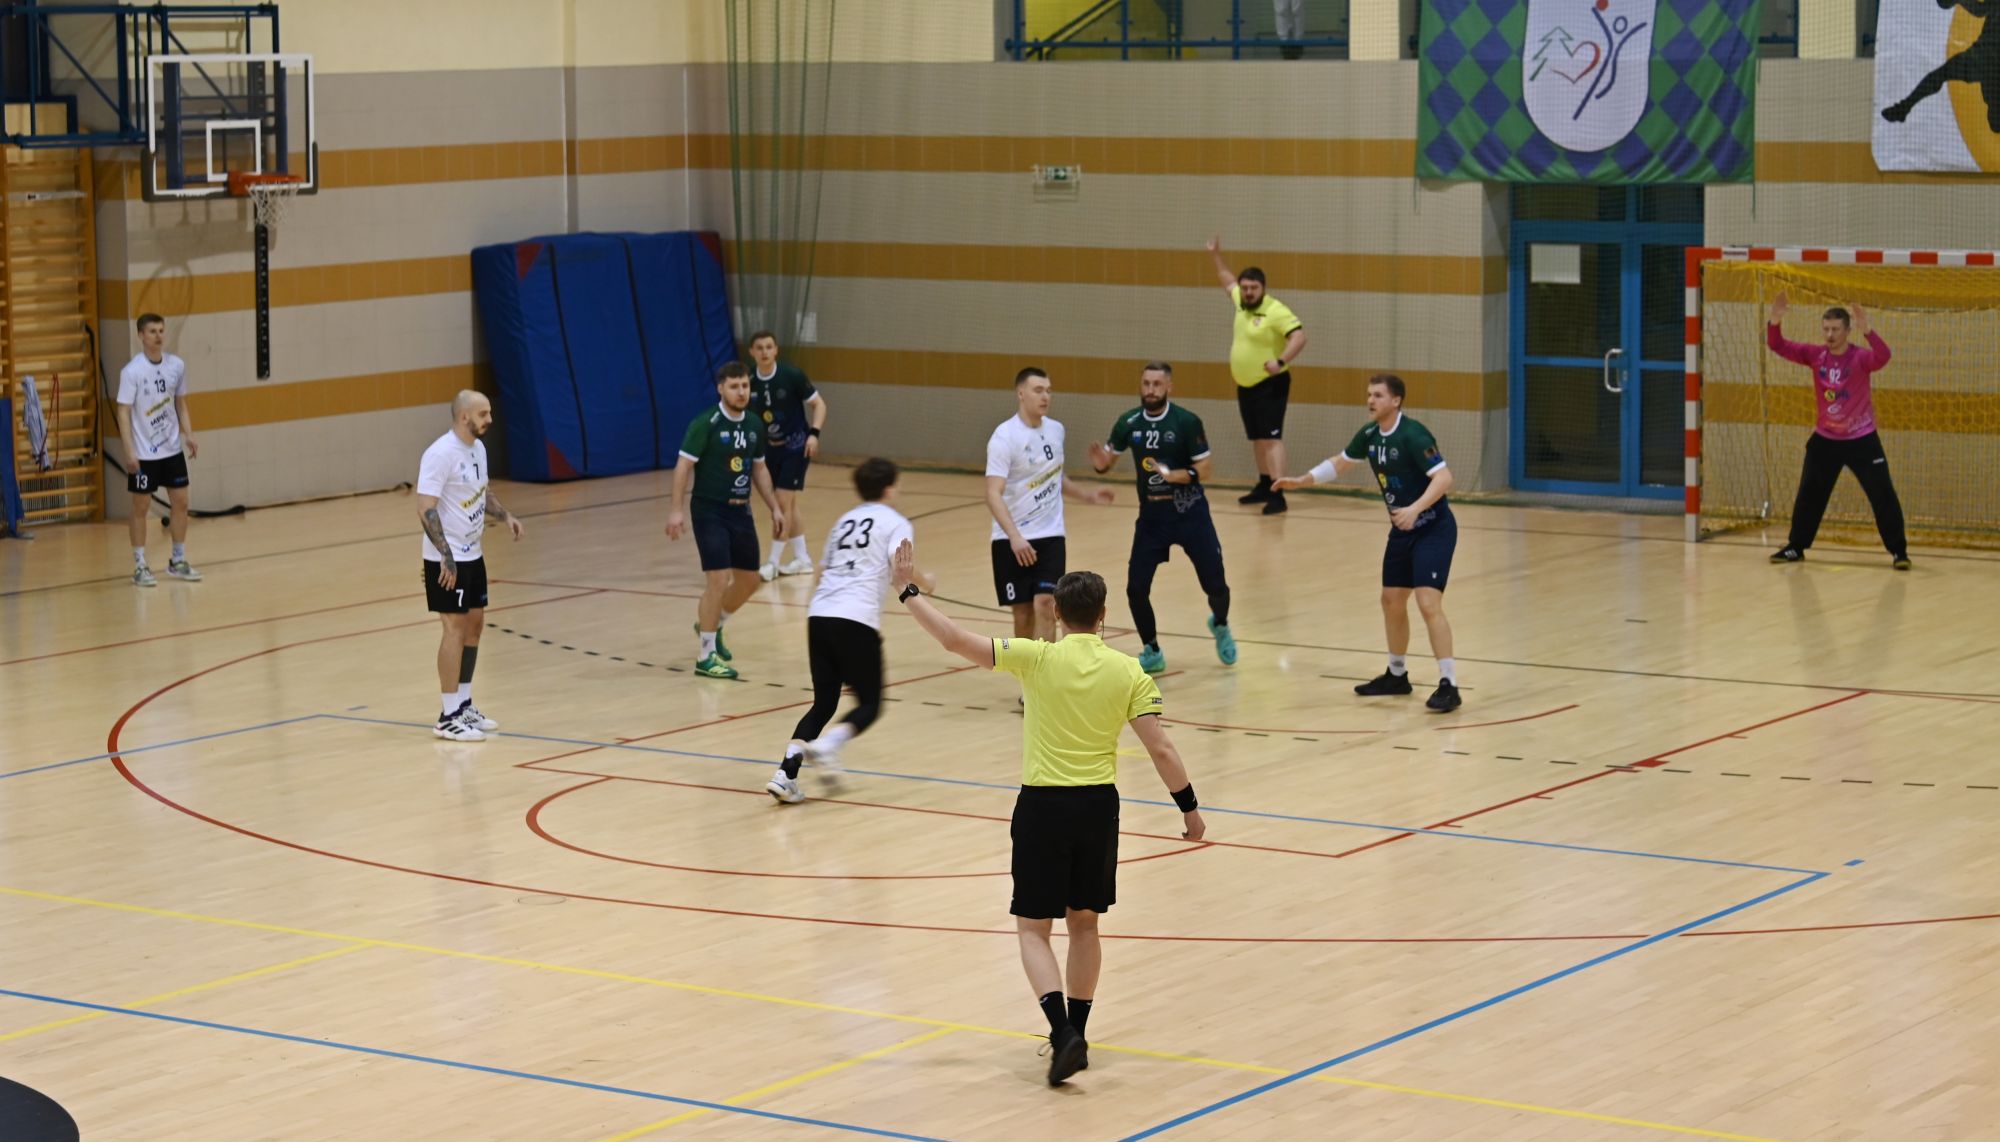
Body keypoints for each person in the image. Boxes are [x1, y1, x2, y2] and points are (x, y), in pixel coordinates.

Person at [890, 546, 1206, 1087]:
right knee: (1085, 924)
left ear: (1056, 613)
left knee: (1034, 929)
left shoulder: (1036, 657)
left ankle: (1061, 1034)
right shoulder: (1129, 671)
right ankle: (1077, 1031)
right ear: (1103, 615)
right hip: (1097, 809)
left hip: (1042, 807)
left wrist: (907, 591)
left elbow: (954, 640)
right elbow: (1162, 749)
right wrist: (1190, 810)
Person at [1275, 374, 1462, 712]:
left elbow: (1444, 478)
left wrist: (1415, 508)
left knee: (1427, 602)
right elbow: (1342, 462)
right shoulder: (1370, 434)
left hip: (1433, 529)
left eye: (1378, 395)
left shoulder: (1414, 434)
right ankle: (1397, 675)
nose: (1370, 400)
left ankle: (1449, 684)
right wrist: (1303, 480)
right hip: (1402, 530)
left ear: (1396, 400)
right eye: (1369, 395)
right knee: (1391, 600)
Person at [765, 458, 935, 804]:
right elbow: (900, 566)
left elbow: (821, 571)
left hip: (820, 615)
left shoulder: (843, 521)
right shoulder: (896, 522)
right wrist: (926, 582)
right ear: (890, 487)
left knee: (823, 703)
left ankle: (785, 774)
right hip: (855, 617)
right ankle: (828, 746)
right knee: (870, 703)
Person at [1087, 362, 1236, 674]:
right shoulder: (1128, 422)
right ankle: (1152, 649)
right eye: (1146, 383)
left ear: (1169, 387)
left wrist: (1176, 475)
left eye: (1157, 384)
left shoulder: (1186, 422)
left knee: (1216, 585)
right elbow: (1107, 462)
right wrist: (1101, 463)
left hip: (1191, 514)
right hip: (1152, 519)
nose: (1150, 390)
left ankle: (1220, 623)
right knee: (1136, 589)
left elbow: (1206, 469)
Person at [1764, 292, 1910, 569]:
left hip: (1862, 439)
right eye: (1826, 329)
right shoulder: (1815, 355)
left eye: (1835, 329)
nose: (1830, 335)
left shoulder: (1860, 358)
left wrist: (1868, 330)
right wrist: (1775, 320)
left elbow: (1884, 356)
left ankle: (1899, 552)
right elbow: (1777, 345)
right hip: (1826, 439)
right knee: (1809, 494)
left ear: (1847, 330)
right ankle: (1796, 547)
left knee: (1883, 494)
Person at [417, 390, 525, 742]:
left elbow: (482, 491)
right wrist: (445, 556)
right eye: (484, 414)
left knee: (474, 626)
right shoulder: (440, 454)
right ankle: (447, 716)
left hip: (473, 552)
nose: (489, 419)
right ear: (465, 416)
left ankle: (463, 704)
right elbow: (426, 508)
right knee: (454, 629)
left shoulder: (477, 449)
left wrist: (505, 515)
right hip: (447, 558)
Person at [666, 362, 785, 678]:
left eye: (745, 386)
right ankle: (706, 657)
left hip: (741, 511)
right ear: (721, 389)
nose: (741, 392)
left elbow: (759, 468)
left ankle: (713, 624)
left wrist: (774, 507)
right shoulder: (706, 423)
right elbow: (683, 467)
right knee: (718, 580)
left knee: (749, 581)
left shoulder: (754, 424)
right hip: (710, 510)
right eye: (734, 386)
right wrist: (676, 510)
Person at [985, 367, 1116, 642]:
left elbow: (1056, 476)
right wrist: (1015, 537)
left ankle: (1046, 667)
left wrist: (1086, 495)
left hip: (1050, 535)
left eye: (1048, 391)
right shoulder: (1004, 437)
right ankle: (1025, 667)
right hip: (1011, 540)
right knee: (1022, 614)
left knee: (1046, 604)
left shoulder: (1056, 430)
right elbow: (993, 493)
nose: (1045, 396)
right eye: (1038, 390)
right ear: (1021, 393)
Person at [1205, 236, 1307, 515]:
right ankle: (1264, 485)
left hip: (1271, 384)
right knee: (1258, 438)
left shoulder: (1275, 310)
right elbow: (1226, 280)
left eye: (1254, 288)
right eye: (1245, 287)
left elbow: (1299, 337)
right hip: (1246, 384)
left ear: (1263, 288)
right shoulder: (1241, 301)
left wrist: (1281, 360)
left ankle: (1278, 494)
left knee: (1271, 439)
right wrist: (1215, 255)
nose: (1248, 292)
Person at [114, 313, 201, 586]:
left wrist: (189, 434)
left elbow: (181, 403)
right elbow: (123, 412)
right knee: (140, 506)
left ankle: (178, 560)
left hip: (172, 450)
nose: (158, 336)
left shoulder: (176, 366)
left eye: (161, 330)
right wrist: (129, 451)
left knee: (181, 502)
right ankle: (140, 565)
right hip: (144, 454)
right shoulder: (132, 372)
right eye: (152, 331)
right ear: (141, 335)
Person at [746, 330, 828, 581]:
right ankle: (802, 559)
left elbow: (819, 404)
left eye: (769, 347)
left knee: (781, 502)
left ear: (776, 350)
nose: (764, 352)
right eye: (759, 348)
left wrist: (814, 434)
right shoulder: (749, 381)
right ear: (752, 352)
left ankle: (772, 563)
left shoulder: (791, 375)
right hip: (770, 448)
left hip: (796, 446)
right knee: (789, 505)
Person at [1881, 0, 1999, 132]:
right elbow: (1981, 10)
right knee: (1940, 75)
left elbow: (1980, 10)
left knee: (1940, 75)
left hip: (1986, 62)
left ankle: (1903, 108)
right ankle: (1903, 108)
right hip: (1981, 56)